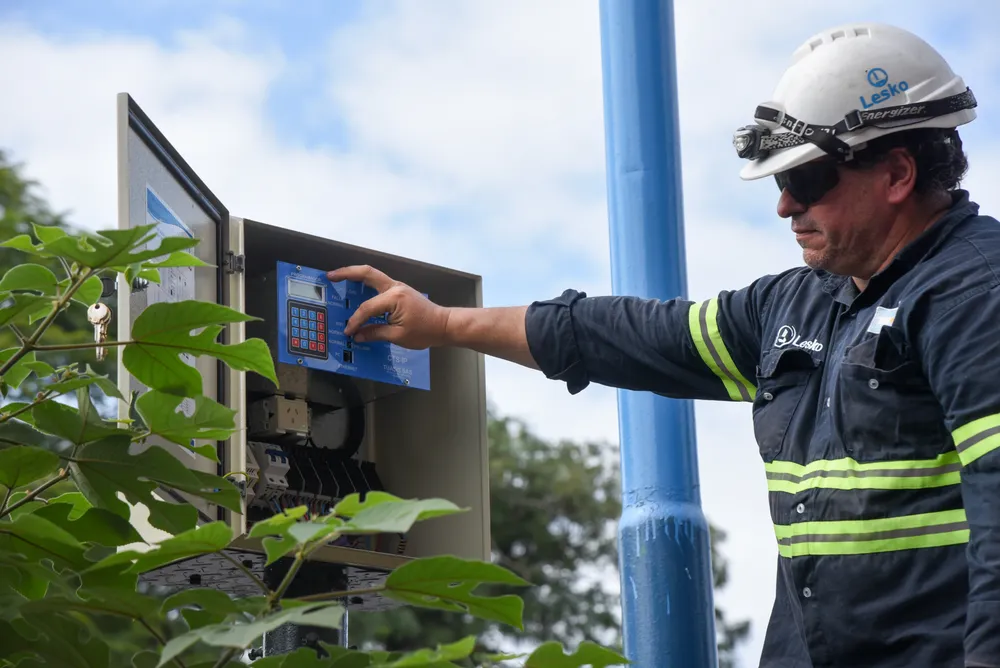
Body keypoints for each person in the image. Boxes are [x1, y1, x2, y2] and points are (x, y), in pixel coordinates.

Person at [328, 22, 997, 668]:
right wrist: (443, 325)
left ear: (898, 173)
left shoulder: (975, 292)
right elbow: (620, 334)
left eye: (807, 180)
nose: (785, 207)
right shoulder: (797, 306)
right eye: (778, 182)